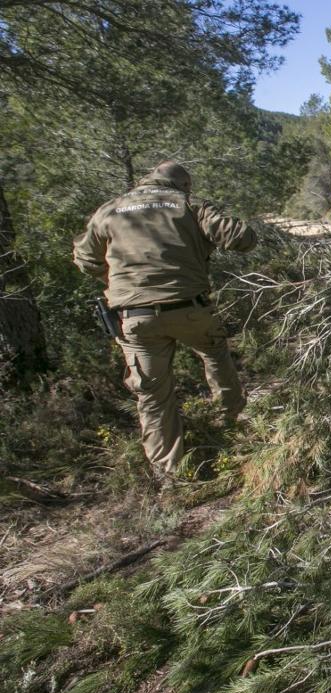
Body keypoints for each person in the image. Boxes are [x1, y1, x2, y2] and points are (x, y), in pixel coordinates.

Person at [72, 161, 257, 481]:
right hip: (191, 308)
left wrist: (119, 280)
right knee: (216, 356)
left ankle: (170, 475)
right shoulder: (189, 205)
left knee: (154, 396)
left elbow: (86, 260)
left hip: (136, 319)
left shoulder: (109, 211)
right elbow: (242, 238)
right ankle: (231, 435)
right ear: (183, 185)